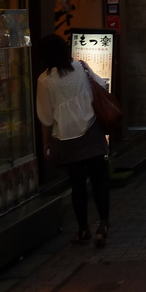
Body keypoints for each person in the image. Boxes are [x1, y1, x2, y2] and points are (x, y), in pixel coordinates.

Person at [36, 34, 112, 246]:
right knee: (99, 182)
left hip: (67, 137)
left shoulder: (45, 80)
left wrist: (45, 144)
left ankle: (83, 229)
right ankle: (103, 225)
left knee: (77, 185)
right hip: (92, 130)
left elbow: (46, 116)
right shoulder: (81, 67)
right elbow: (101, 86)